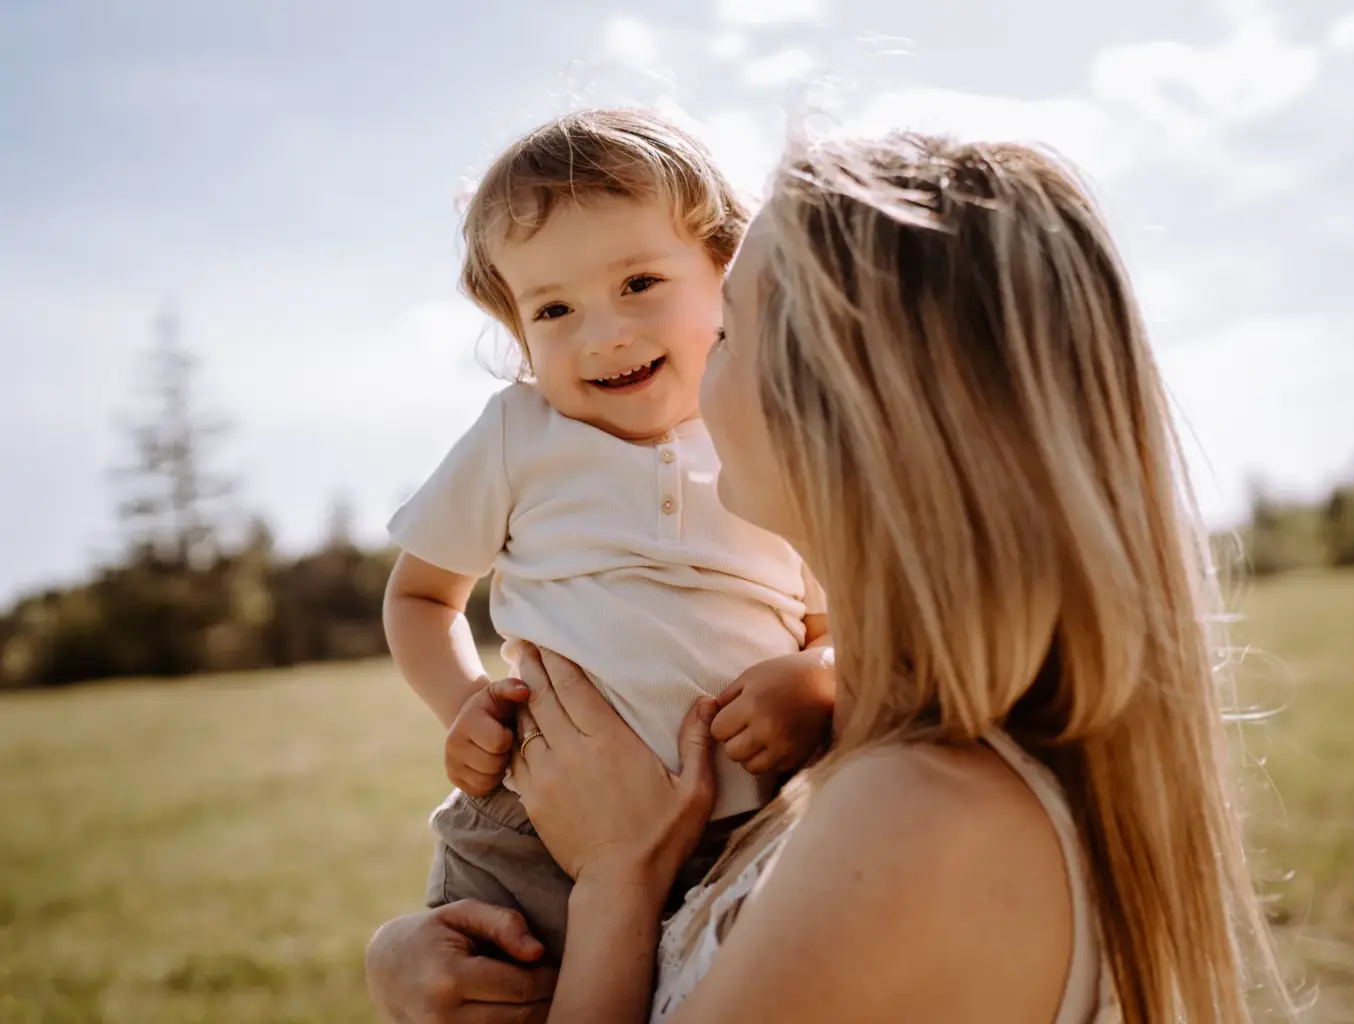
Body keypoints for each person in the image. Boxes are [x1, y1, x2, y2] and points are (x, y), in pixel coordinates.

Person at [368, 130, 1296, 1024]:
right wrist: (408, 966)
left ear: (846, 402)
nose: (619, 341)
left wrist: (618, 874)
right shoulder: (877, 772)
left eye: (730, 326)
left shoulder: (920, 819)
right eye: (555, 309)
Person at [381, 108, 837, 962]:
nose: (606, 333)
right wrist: (462, 702)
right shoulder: (521, 433)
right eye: (553, 309)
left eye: (638, 285)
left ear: (726, 270)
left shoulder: (781, 440)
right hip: (534, 825)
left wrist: (816, 680)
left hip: (753, 821)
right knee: (505, 993)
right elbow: (420, 594)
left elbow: (840, 624)